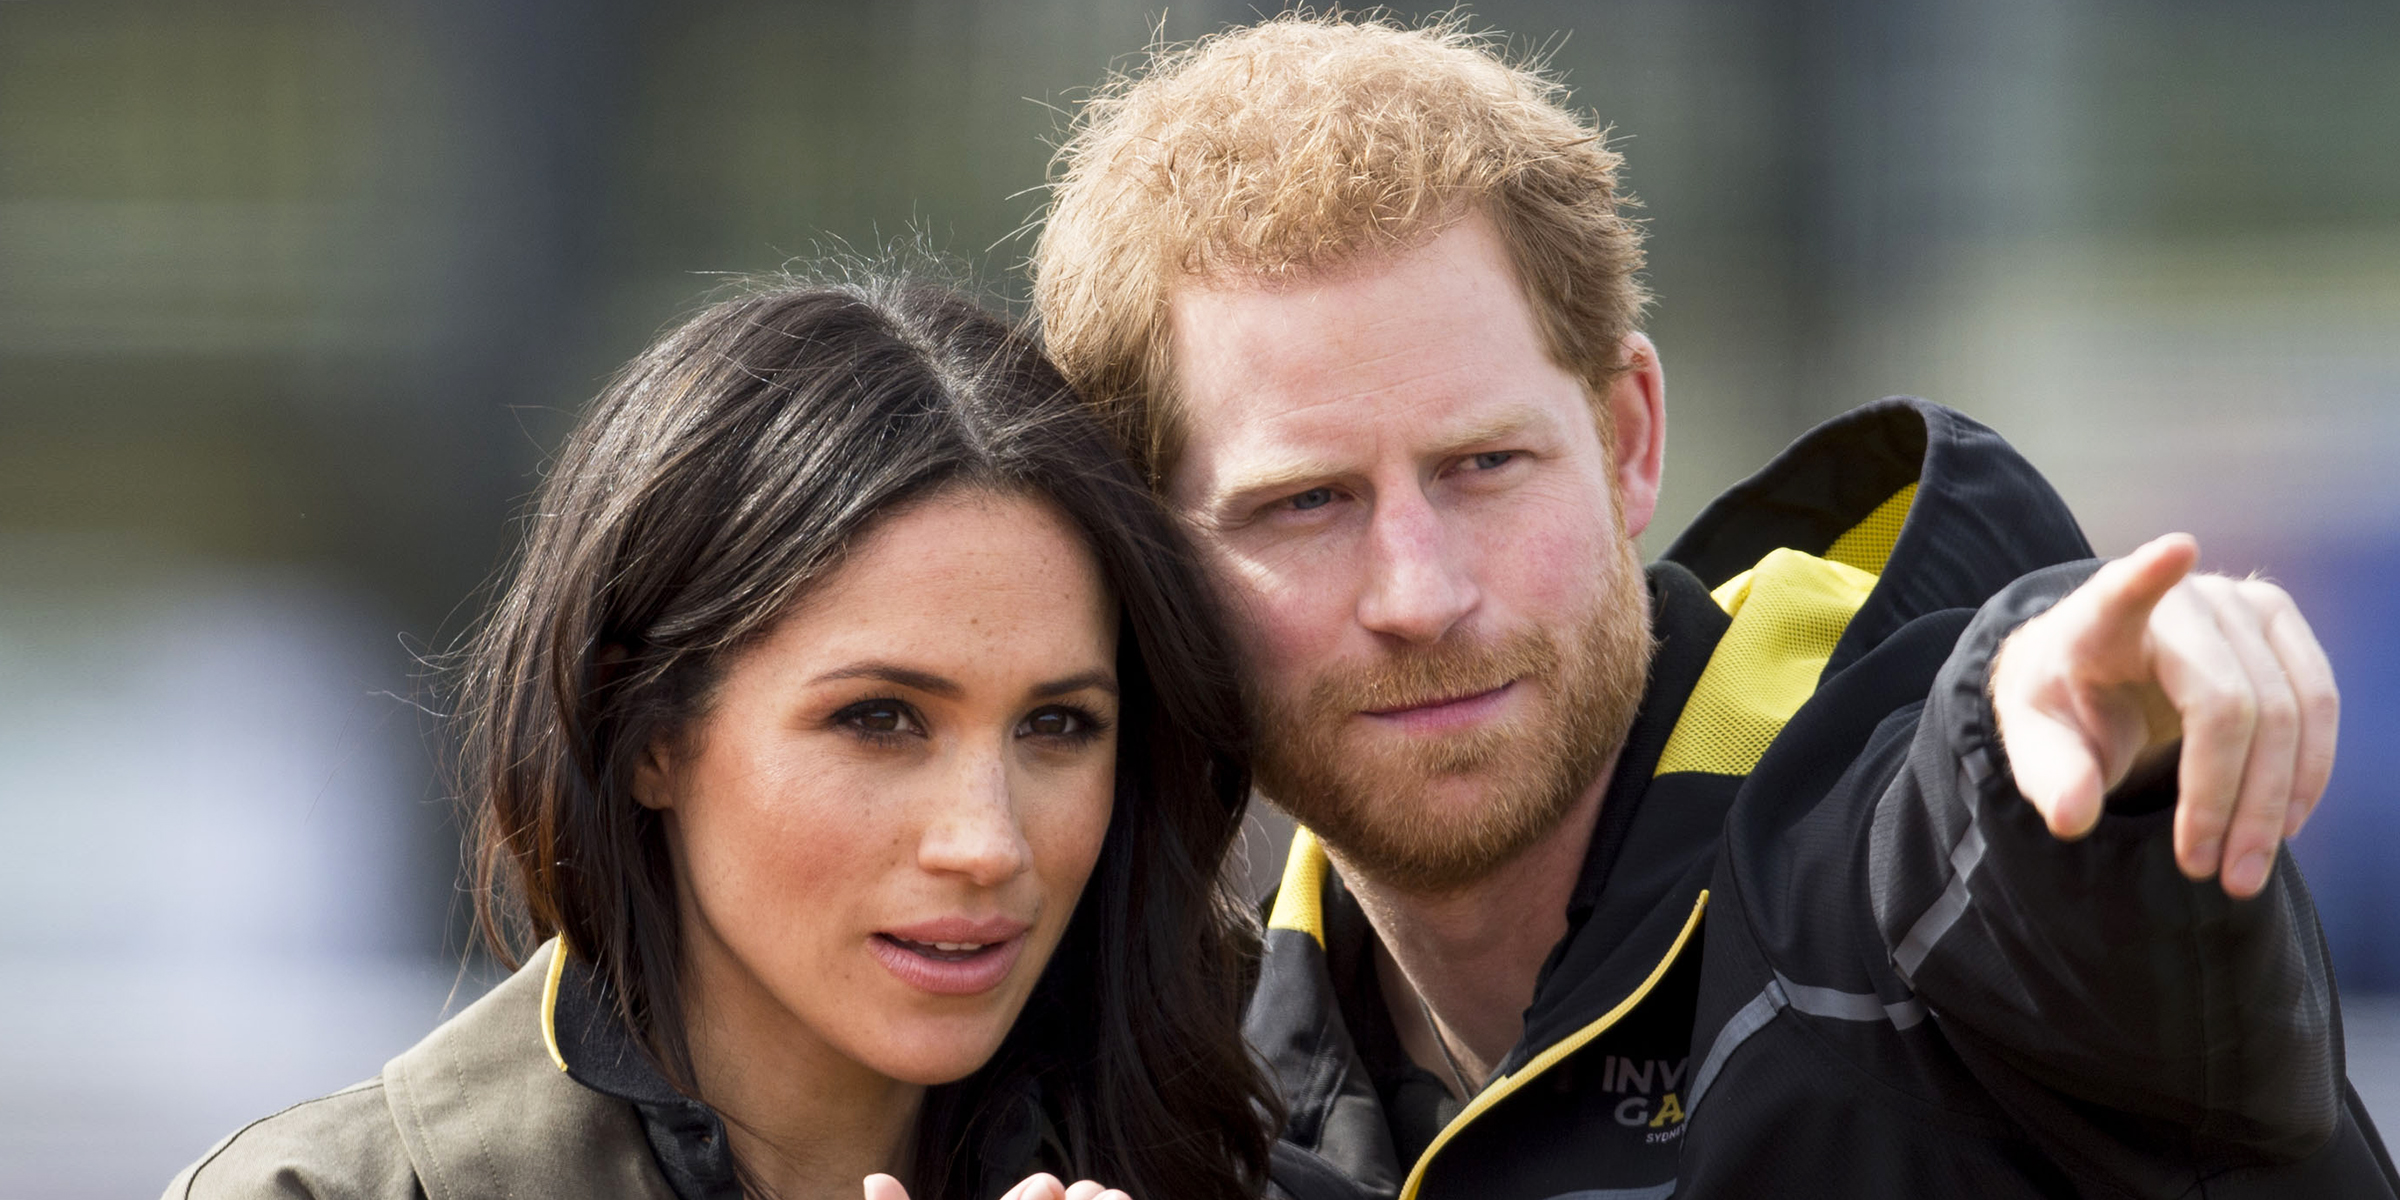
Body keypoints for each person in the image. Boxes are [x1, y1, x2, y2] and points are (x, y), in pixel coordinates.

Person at [1032, 14, 2395, 1199]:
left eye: (1485, 467)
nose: (1420, 592)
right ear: (1154, 563)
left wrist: (2097, 777)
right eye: (1306, 505)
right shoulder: (1190, 1103)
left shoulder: (1877, 863)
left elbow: (1978, 836)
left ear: (1628, 439)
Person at [163, 274, 1277, 1200]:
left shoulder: (1255, 1175)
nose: (987, 845)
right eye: (879, 720)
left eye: (1058, 725)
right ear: (646, 731)